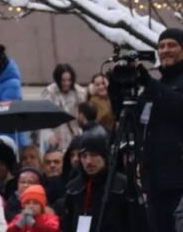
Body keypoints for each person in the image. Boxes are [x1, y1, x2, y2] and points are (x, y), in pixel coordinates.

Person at [135, 27, 183, 232]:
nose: (165, 50)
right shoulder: (158, 85)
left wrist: (150, 84)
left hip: (178, 178)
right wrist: (119, 91)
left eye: (172, 45)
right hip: (154, 178)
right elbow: (136, 121)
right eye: (161, 46)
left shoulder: (157, 87)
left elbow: (178, 106)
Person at [60, 133, 129, 232]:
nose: (88, 161)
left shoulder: (121, 186)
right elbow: (67, 223)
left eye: (94, 155)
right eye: (84, 156)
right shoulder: (73, 189)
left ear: (105, 156)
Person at [40, 63, 87, 151]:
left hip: (75, 136)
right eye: (63, 80)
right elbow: (44, 118)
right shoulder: (49, 93)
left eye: (69, 80)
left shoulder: (79, 92)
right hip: (56, 137)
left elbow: (84, 115)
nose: (66, 83)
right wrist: (49, 135)